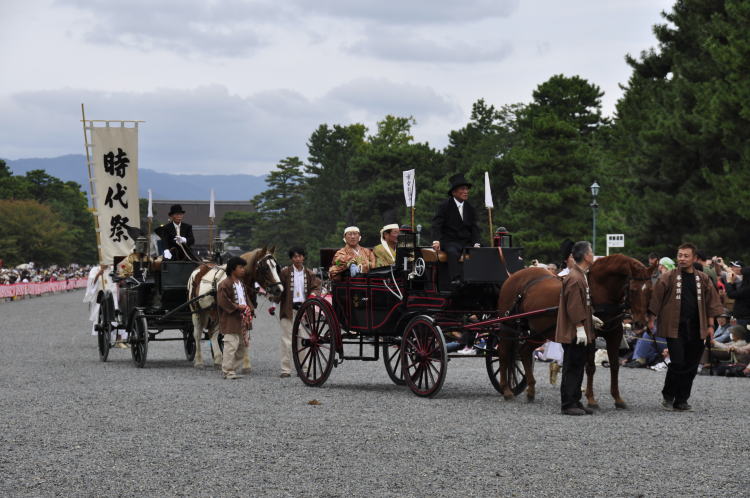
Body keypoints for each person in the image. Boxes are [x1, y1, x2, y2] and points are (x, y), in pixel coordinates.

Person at [648, 243, 723, 412]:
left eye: (686, 256)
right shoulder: (668, 277)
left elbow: (712, 303)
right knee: (678, 362)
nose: (682, 258)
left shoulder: (703, 278)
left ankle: (682, 399)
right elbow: (656, 300)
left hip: (697, 327)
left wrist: (711, 326)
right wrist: (651, 319)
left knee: (691, 364)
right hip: (675, 327)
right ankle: (668, 395)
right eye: (679, 255)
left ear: (694, 258)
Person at [555, 241, 596, 416]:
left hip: (581, 329)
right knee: (572, 366)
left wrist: (591, 317)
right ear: (586, 256)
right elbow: (573, 306)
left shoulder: (580, 275)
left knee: (578, 365)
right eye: (591, 252)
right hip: (573, 331)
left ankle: (576, 401)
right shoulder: (575, 277)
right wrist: (580, 326)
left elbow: (581, 303)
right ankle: (567, 403)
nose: (593, 255)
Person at [272, 247, 321, 378]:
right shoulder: (285, 273)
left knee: (304, 340)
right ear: (291, 259)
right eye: (295, 257)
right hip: (288, 310)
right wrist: (273, 304)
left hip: (304, 311)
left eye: (300, 256)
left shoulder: (310, 273)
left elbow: (317, 287)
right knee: (286, 340)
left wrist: (312, 294)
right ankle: (285, 369)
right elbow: (279, 290)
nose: (298, 259)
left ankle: (303, 369)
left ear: (303, 257)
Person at [431, 173, 481, 286]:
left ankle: (479, 279)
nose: (466, 191)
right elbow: (436, 224)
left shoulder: (470, 207)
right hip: (449, 241)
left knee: (483, 250)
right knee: (453, 252)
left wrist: (476, 242)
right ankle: (455, 279)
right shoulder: (444, 206)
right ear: (454, 192)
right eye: (462, 189)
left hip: (466, 242)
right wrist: (436, 240)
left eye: (467, 189)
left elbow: (475, 227)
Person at [217, 257, 253, 380]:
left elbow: (246, 299)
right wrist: (237, 307)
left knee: (242, 347)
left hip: (243, 319)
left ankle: (233, 369)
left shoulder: (241, 284)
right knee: (231, 346)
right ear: (233, 269)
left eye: (243, 267)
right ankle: (228, 371)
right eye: (241, 267)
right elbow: (223, 301)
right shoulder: (224, 284)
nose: (243, 270)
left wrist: (250, 309)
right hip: (230, 319)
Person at [726, 265, 750, 330]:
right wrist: (733, 283)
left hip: (744, 319)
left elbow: (731, 295)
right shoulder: (746, 286)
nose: (741, 277)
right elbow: (737, 293)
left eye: (743, 275)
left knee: (743, 338)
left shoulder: (747, 288)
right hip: (743, 318)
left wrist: (729, 282)